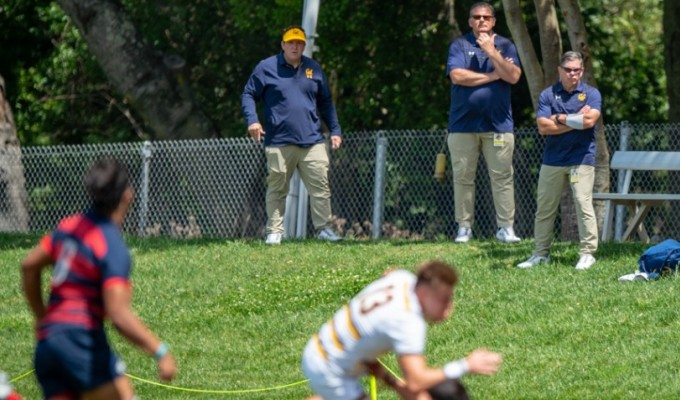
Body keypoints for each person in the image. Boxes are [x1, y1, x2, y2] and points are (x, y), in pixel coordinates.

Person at [21, 158, 177, 399]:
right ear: (127, 195)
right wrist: (160, 351)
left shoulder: (69, 226)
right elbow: (118, 314)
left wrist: (43, 317)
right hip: (80, 341)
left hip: (48, 345)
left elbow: (29, 266)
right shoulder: (111, 245)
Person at [301, 260, 502, 400]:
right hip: (332, 367)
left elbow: (388, 274)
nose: (448, 310)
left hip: (322, 346)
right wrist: (465, 365)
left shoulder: (403, 279)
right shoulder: (408, 322)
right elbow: (416, 382)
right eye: (443, 301)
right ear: (424, 293)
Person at [241, 25, 342, 245]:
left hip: (312, 139)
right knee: (277, 188)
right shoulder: (266, 67)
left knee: (321, 188)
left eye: (299, 43)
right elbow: (248, 94)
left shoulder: (313, 69)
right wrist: (253, 121)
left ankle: (324, 229)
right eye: (291, 42)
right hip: (279, 140)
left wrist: (335, 130)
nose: (295, 46)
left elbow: (325, 102)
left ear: (304, 45)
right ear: (283, 45)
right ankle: (274, 232)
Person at [517, 51, 601, 270]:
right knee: (545, 208)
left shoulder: (591, 94)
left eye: (577, 70)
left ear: (582, 71)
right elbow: (543, 128)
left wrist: (560, 117)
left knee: (583, 204)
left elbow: (590, 121)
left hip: (581, 158)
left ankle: (587, 254)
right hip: (552, 160)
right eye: (569, 70)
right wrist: (576, 120)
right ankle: (540, 254)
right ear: (560, 71)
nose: (573, 74)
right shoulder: (548, 95)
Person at [446, 2, 522, 244]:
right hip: (462, 125)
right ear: (470, 21)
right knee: (463, 178)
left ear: (493, 21)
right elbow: (457, 76)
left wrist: (491, 51)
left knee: (502, 177)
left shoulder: (505, 45)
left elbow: (513, 76)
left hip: (498, 125)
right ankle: (464, 228)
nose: (481, 21)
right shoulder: (460, 44)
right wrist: (491, 76)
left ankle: (506, 228)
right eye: (476, 17)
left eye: (486, 17)